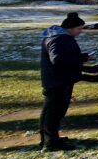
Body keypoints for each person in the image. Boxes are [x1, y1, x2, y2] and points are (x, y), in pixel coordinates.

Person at [38, 12, 88, 151]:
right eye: (79, 29)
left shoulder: (55, 37)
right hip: (58, 81)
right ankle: (51, 143)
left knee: (49, 111)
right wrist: (81, 58)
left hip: (55, 79)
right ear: (70, 28)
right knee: (54, 112)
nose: (80, 32)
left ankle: (48, 139)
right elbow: (58, 59)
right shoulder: (60, 39)